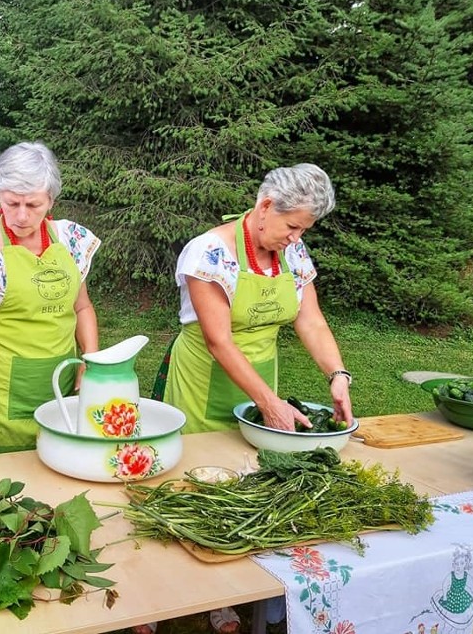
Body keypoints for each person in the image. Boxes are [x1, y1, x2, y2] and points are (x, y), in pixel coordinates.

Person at [147, 163, 354, 634]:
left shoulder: (292, 253)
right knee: (189, 484)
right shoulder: (208, 253)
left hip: (261, 376)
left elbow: (311, 321)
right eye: (292, 225)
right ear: (264, 207)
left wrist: (337, 376)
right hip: (203, 378)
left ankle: (223, 596)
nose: (296, 236)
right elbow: (219, 341)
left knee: (246, 486)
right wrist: (269, 403)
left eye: (303, 229)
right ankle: (161, 597)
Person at [0, 142, 100, 452]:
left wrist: (89, 358)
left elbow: (82, 307)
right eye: (12, 204)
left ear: (51, 200)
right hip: (3, 397)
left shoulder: (69, 240)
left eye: (34, 205)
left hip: (64, 390)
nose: (22, 216)